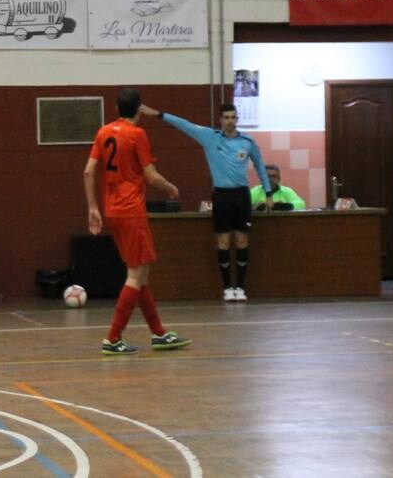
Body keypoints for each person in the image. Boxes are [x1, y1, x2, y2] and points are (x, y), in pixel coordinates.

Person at [84, 88, 190, 355]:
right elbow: (151, 176)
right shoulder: (137, 134)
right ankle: (112, 338)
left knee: (141, 274)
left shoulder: (103, 132)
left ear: (117, 109)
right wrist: (170, 188)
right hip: (132, 210)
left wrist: (93, 208)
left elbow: (88, 171)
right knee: (135, 275)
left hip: (112, 210)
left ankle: (159, 334)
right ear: (139, 110)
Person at [140, 102, 271, 302]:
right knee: (224, 241)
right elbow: (184, 124)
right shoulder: (210, 137)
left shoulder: (247, 141)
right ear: (220, 120)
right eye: (226, 117)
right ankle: (228, 288)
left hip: (241, 195)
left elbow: (261, 166)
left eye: (232, 117)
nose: (229, 121)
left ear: (237, 118)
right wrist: (158, 114)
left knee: (242, 240)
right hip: (222, 195)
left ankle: (240, 288)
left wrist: (268, 193)